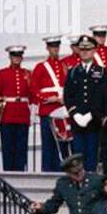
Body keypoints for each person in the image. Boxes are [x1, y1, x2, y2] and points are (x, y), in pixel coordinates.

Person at [64, 34, 107, 170]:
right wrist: (75, 114)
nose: (85, 52)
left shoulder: (101, 72)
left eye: (88, 49)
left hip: (94, 123)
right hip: (77, 122)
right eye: (82, 49)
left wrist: (92, 114)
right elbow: (68, 95)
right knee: (77, 159)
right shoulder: (72, 72)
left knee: (92, 158)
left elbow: (104, 97)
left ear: (94, 51)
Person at [29, 153, 104, 214]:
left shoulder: (96, 180)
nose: (79, 174)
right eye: (75, 173)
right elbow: (53, 204)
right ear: (68, 173)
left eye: (80, 171)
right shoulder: (63, 184)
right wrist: (41, 208)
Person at [30, 35, 71, 171]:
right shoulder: (41, 67)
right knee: (48, 144)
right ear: (48, 48)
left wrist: (64, 98)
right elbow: (34, 89)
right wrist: (48, 98)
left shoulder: (64, 65)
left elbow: (69, 86)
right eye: (52, 46)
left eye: (57, 46)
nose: (55, 49)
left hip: (62, 110)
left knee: (63, 142)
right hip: (48, 110)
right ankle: (47, 171)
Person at [0, 45, 33, 172]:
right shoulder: (1, 74)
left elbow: (33, 95)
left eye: (19, 55)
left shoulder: (28, 74)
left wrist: (33, 114)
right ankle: (8, 175)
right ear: (10, 57)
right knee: (8, 148)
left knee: (21, 149)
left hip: (23, 114)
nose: (17, 58)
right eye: (14, 55)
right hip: (7, 115)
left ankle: (20, 174)